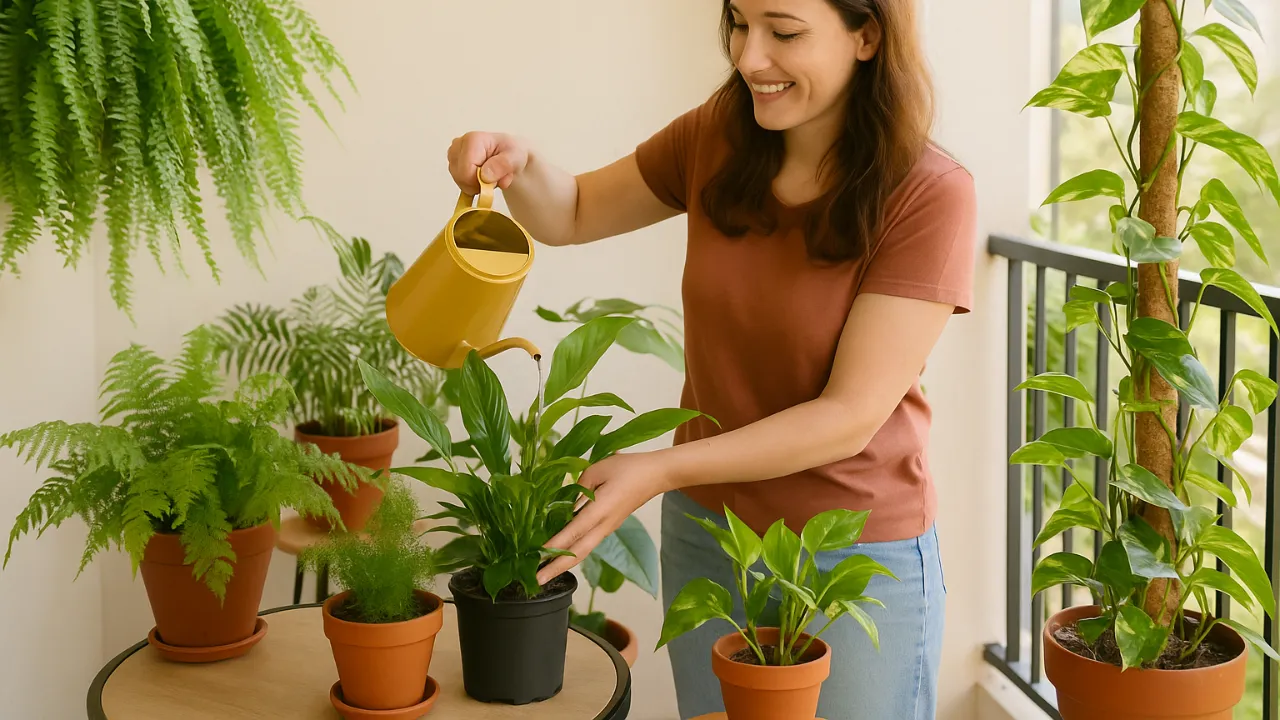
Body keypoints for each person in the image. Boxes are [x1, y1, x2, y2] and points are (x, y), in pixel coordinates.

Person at [446, 0, 975, 717]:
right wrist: (519, 161)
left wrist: (660, 469)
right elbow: (570, 212)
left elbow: (848, 417)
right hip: (709, 535)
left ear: (867, 33)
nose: (749, 57)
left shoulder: (929, 192)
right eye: (738, 23)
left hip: (850, 558)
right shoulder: (716, 137)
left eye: (783, 31)